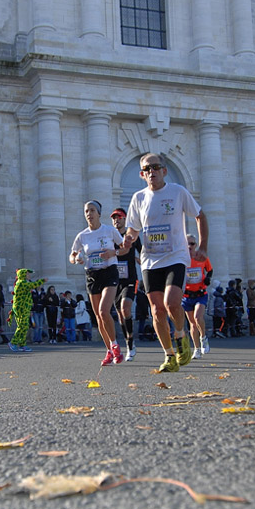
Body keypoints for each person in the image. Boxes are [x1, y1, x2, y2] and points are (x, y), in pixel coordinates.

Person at [123, 153, 209, 373]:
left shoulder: (178, 192)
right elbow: (133, 228)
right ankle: (169, 355)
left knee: (172, 303)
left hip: (176, 256)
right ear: (142, 175)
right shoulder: (138, 198)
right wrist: (129, 237)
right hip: (150, 261)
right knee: (157, 311)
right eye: (146, 169)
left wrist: (203, 247)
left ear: (164, 170)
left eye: (155, 167)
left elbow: (200, 215)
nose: (151, 171)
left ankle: (181, 335)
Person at [71, 200, 127, 366]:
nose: (89, 213)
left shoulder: (109, 231)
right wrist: (76, 259)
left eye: (92, 210)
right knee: (98, 317)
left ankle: (115, 345)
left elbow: (125, 248)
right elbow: (72, 255)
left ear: (99, 213)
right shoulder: (82, 236)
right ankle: (109, 350)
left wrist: (113, 252)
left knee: (104, 311)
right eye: (86, 211)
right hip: (92, 274)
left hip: (109, 272)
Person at [110, 207, 142, 361]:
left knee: (125, 308)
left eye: (119, 217)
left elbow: (142, 252)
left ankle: (130, 344)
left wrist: (141, 260)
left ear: (125, 219)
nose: (116, 220)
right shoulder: (110, 237)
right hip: (114, 280)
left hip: (130, 279)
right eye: (114, 218)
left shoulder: (131, 236)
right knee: (121, 316)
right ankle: (129, 343)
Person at [181, 235, 212, 358]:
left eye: (192, 244)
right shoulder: (182, 258)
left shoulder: (202, 257)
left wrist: (208, 278)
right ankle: (197, 349)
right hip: (187, 295)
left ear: (196, 245)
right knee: (192, 324)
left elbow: (210, 270)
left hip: (200, 294)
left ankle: (203, 337)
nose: (189, 246)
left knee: (198, 317)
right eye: (187, 244)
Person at [8, 268, 44, 352]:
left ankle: (22, 344)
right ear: (23, 275)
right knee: (22, 325)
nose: (29, 275)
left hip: (25, 307)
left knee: (25, 326)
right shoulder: (21, 283)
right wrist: (42, 280)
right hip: (21, 307)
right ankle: (13, 342)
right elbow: (32, 285)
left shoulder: (24, 283)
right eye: (27, 274)